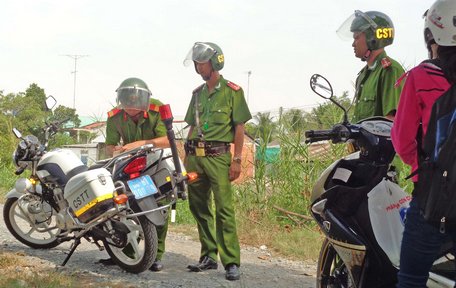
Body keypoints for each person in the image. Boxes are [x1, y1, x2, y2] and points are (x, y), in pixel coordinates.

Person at [391, 1, 455, 286]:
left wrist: (425, 170)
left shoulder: (421, 76)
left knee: (411, 278)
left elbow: (403, 141)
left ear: (431, 36)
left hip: (434, 205)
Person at [182, 42, 252, 281]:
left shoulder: (233, 91)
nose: (198, 67)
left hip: (219, 157)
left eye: (201, 62)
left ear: (214, 63)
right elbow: (192, 126)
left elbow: (239, 126)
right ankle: (209, 256)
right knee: (198, 207)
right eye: (196, 63)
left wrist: (237, 159)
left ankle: (231, 261)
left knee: (223, 209)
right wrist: (185, 157)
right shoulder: (197, 94)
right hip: (195, 158)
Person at [103, 77, 170, 272]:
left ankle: (156, 255)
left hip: (154, 163)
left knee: (157, 206)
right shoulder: (114, 117)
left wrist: (142, 144)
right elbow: (109, 146)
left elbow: (167, 140)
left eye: (135, 103)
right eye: (127, 103)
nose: (131, 107)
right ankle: (126, 253)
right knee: (122, 207)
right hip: (128, 164)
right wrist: (115, 150)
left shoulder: (157, 109)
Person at [337, 10, 405, 122]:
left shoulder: (390, 70)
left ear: (372, 38)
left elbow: (392, 121)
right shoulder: (363, 75)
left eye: (356, 37)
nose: (353, 44)